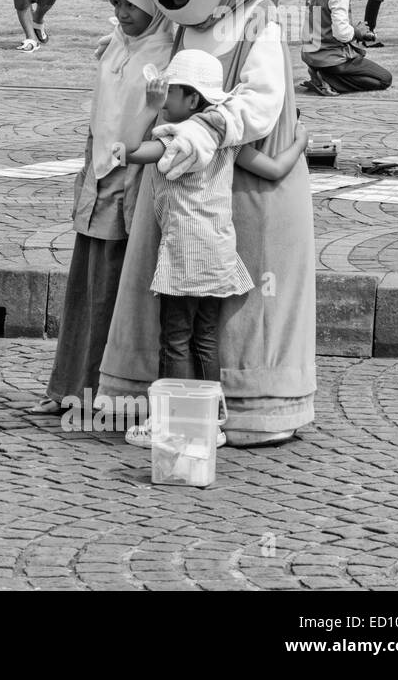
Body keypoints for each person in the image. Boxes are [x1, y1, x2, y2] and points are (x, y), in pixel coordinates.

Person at [99, 0, 315, 448]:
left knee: (221, 317)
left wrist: (205, 128)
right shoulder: (184, 27)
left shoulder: (257, 25)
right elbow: (139, 25)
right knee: (175, 311)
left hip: (240, 188)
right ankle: (166, 405)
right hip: (179, 194)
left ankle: (247, 405)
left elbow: (262, 102)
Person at [112, 50, 309, 448]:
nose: (164, 96)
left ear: (192, 99)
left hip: (183, 254)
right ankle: (211, 421)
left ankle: (172, 421)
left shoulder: (175, 138)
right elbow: (273, 169)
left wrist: (149, 110)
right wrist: (300, 141)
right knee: (204, 339)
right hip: (218, 252)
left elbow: (127, 152)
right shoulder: (226, 139)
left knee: (175, 338)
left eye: (170, 91)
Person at [34, 0, 174, 416]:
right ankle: (69, 388)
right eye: (117, 2)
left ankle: (107, 394)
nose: (123, 12)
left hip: (132, 179)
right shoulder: (115, 44)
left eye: (132, 4)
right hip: (98, 177)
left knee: (115, 290)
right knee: (86, 289)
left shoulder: (168, 54)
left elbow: (159, 124)